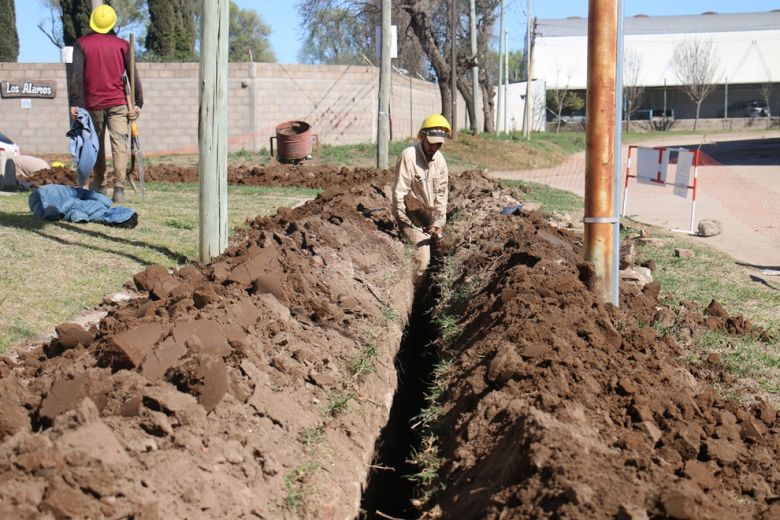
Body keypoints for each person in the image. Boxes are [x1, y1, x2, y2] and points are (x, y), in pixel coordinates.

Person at [68, 4, 143, 203]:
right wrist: (138, 103)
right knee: (120, 145)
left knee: (97, 145)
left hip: (93, 103)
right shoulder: (122, 45)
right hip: (119, 103)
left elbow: (76, 75)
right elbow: (133, 75)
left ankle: (100, 185)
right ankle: (119, 188)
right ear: (112, 24)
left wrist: (75, 101)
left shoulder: (82, 44)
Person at [392, 114, 451, 283]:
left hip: (429, 216)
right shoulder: (409, 157)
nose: (434, 148)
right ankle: (416, 289)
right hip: (411, 217)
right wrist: (406, 223)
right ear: (423, 136)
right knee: (423, 261)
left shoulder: (440, 161)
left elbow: (441, 194)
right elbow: (399, 194)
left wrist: (439, 224)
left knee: (437, 251)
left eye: (438, 144)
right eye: (431, 143)